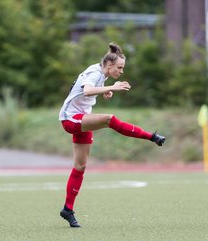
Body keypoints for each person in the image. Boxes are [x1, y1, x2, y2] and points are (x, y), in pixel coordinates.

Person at [58, 43, 166, 227]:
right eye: (119, 68)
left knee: (80, 166)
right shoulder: (96, 73)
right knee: (109, 119)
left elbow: (82, 91)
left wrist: (106, 90)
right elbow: (87, 90)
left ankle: (67, 209)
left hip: (81, 118)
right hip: (70, 119)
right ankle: (151, 136)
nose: (121, 71)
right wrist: (113, 88)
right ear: (109, 65)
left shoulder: (99, 72)